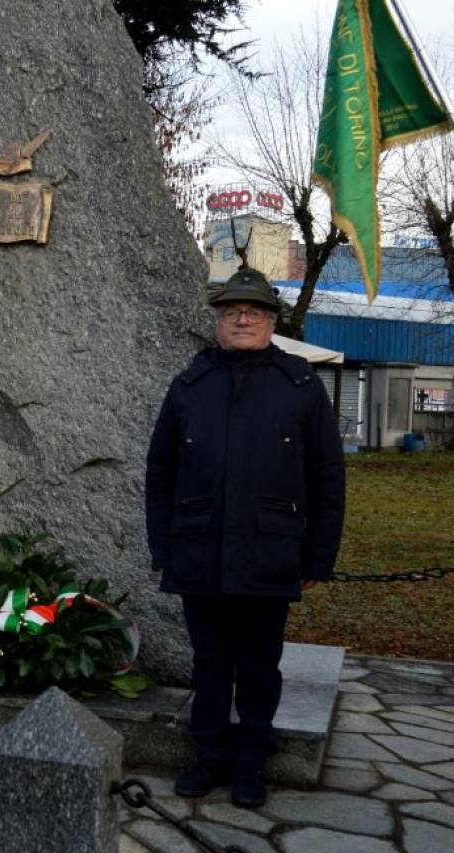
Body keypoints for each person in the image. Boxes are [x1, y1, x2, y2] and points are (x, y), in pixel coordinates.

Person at [145, 267, 345, 808]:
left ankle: (252, 756)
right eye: (231, 311)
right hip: (199, 549)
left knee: (259, 663)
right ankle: (209, 752)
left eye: (253, 311)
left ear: (271, 321)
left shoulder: (300, 386)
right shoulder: (189, 386)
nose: (242, 318)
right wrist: (163, 547)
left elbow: (328, 477)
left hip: (269, 551)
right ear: (217, 320)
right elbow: (160, 472)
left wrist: (318, 555)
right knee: (210, 661)